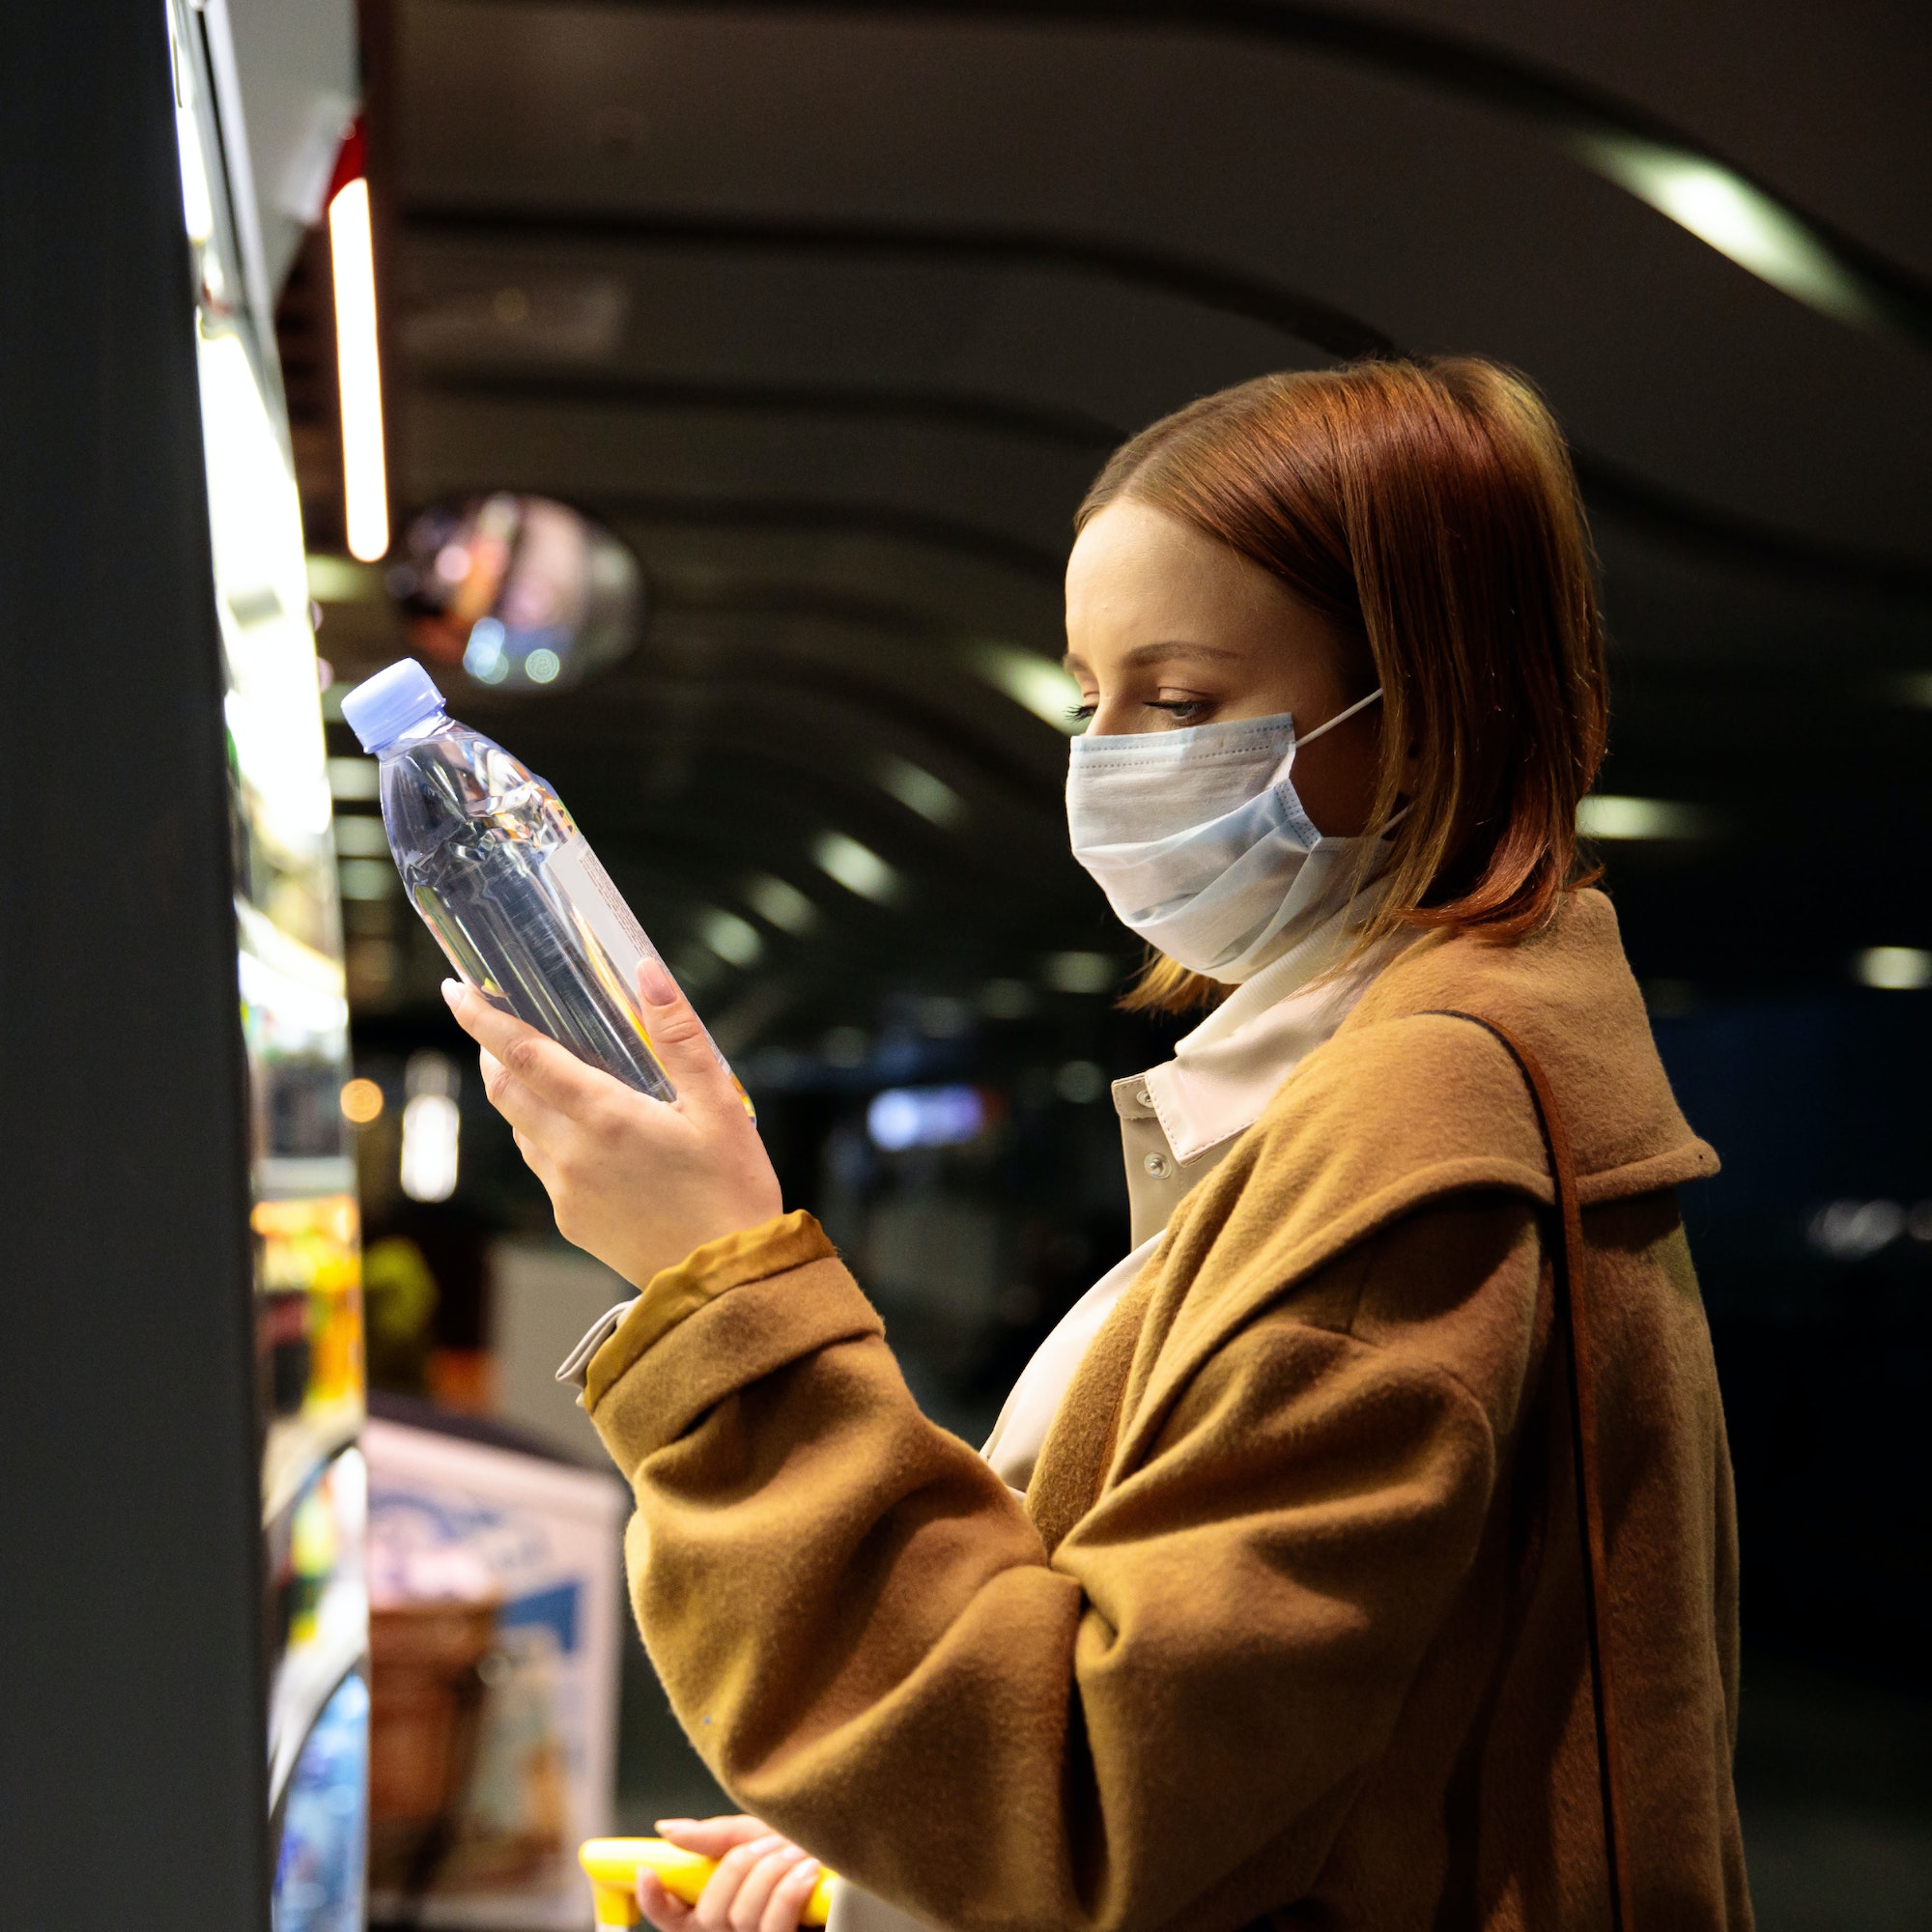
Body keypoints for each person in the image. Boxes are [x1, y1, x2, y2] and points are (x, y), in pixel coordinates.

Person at [446, 358, 1750, 1931]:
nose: (1110, 758)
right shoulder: (1378, 1088)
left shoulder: (1423, 1145)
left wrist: (713, 1288)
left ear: (1427, 704)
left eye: (1184, 701)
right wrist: (882, 1874)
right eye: (1089, 699)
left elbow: (1094, 1809)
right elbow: (1263, 1772)